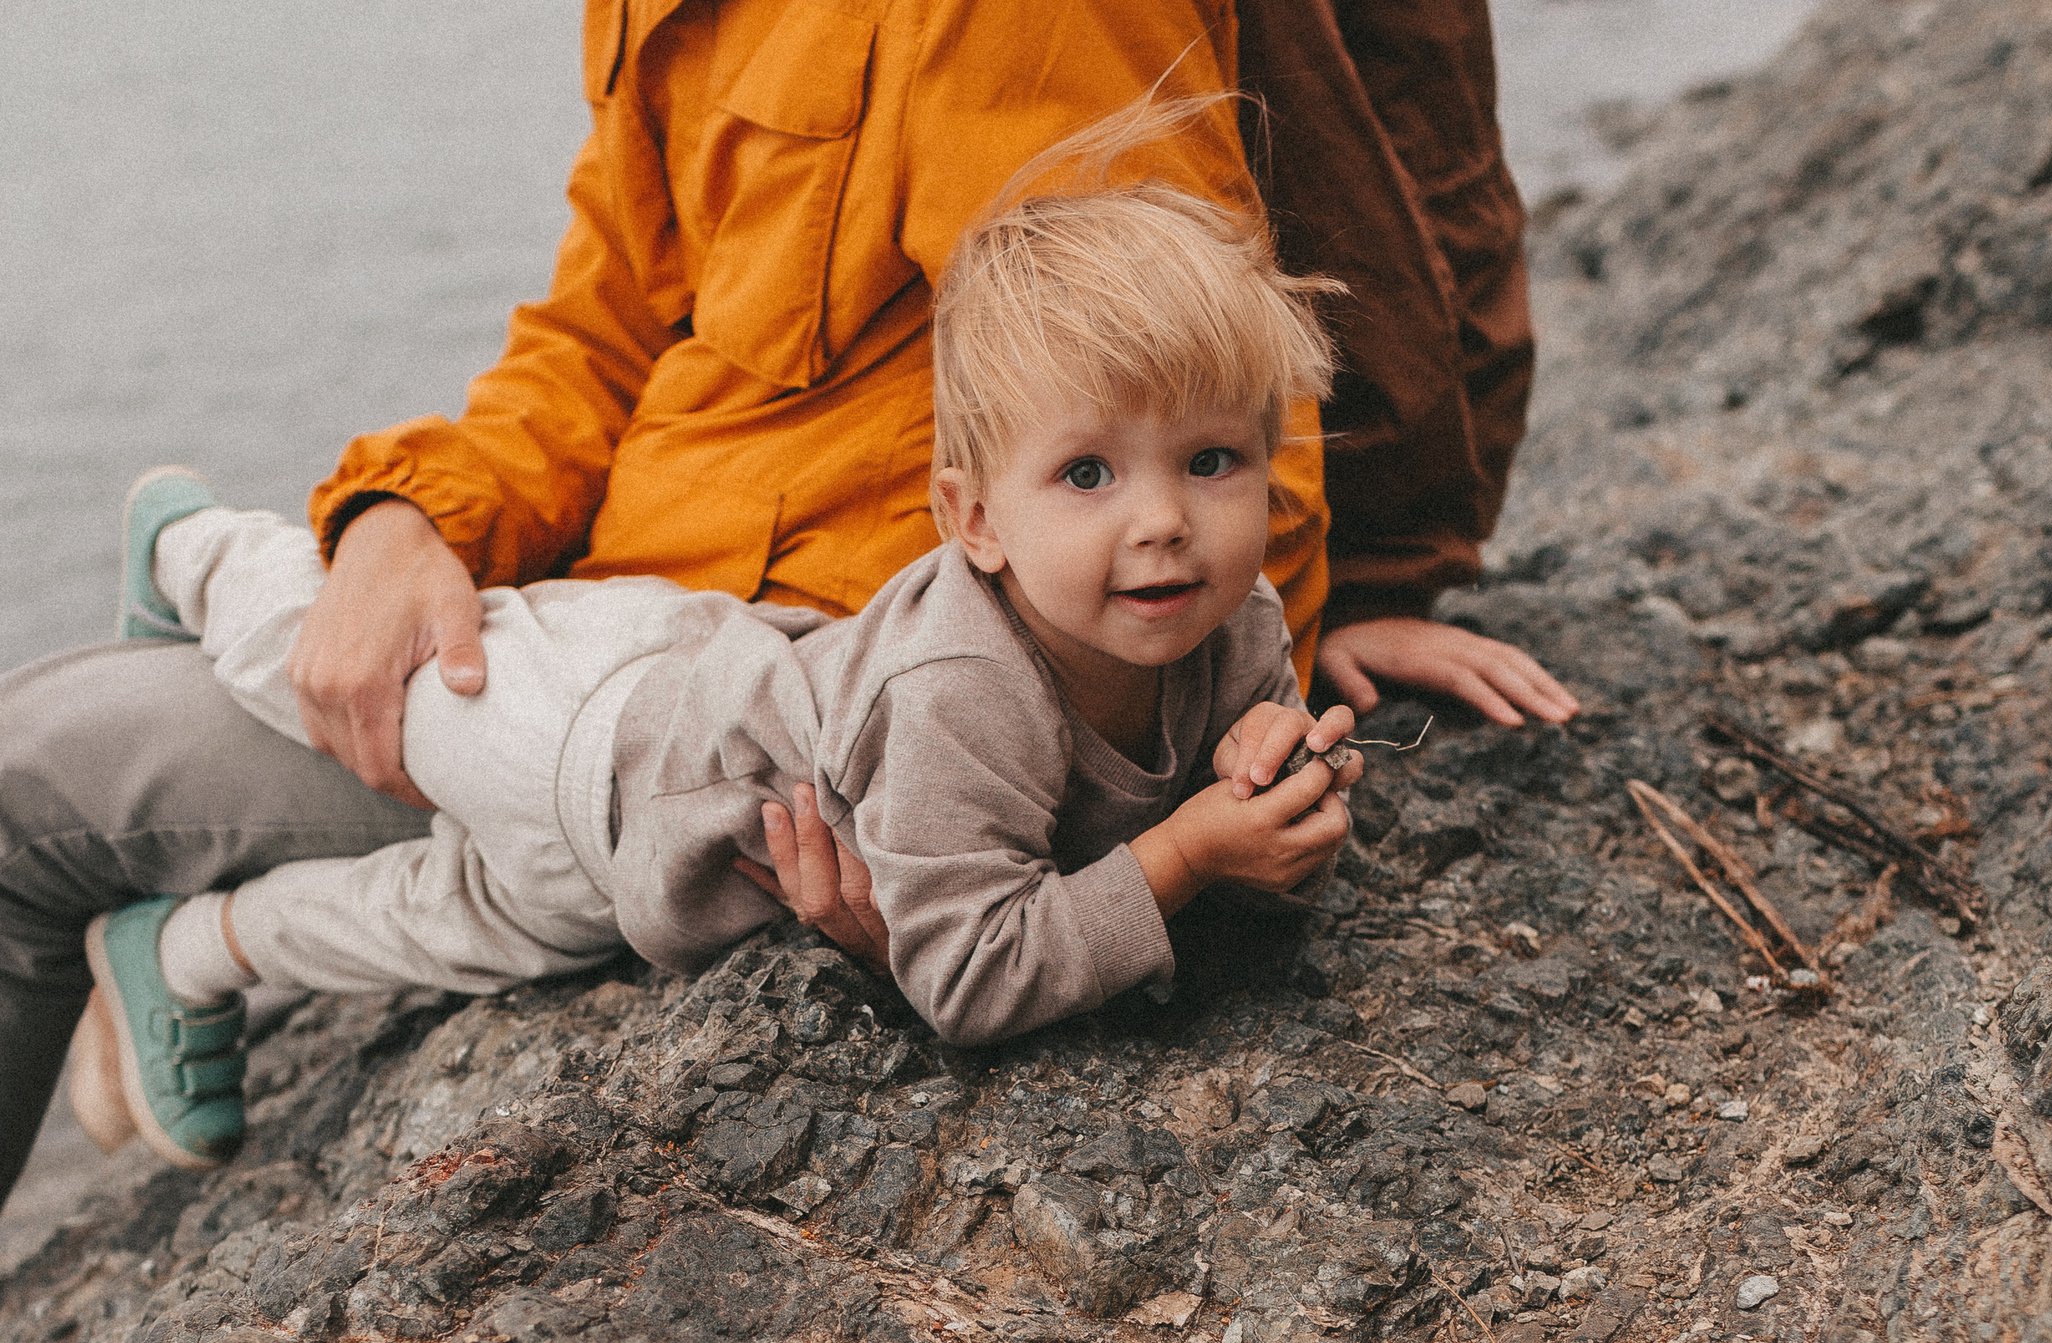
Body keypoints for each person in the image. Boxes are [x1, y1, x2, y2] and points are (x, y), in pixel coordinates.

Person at [0, 0, 1563, 1207]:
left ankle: (186, 828)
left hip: (772, 705)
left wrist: (1291, 661)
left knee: (29, 785)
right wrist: (413, 517)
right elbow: (601, 329)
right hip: (614, 624)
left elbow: (1182, 396)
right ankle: (208, 643)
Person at [73, 161, 1366, 1169]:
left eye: (1213, 462)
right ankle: (198, 551)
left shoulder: (1236, 623)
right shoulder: (966, 689)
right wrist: (1193, 850)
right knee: (388, 693)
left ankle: (188, 952)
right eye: (1087, 474)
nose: (1162, 522)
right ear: (973, 521)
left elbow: (1237, 887)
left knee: (430, 926)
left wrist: (1275, 792)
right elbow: (972, 978)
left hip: (661, 879)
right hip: (600, 731)